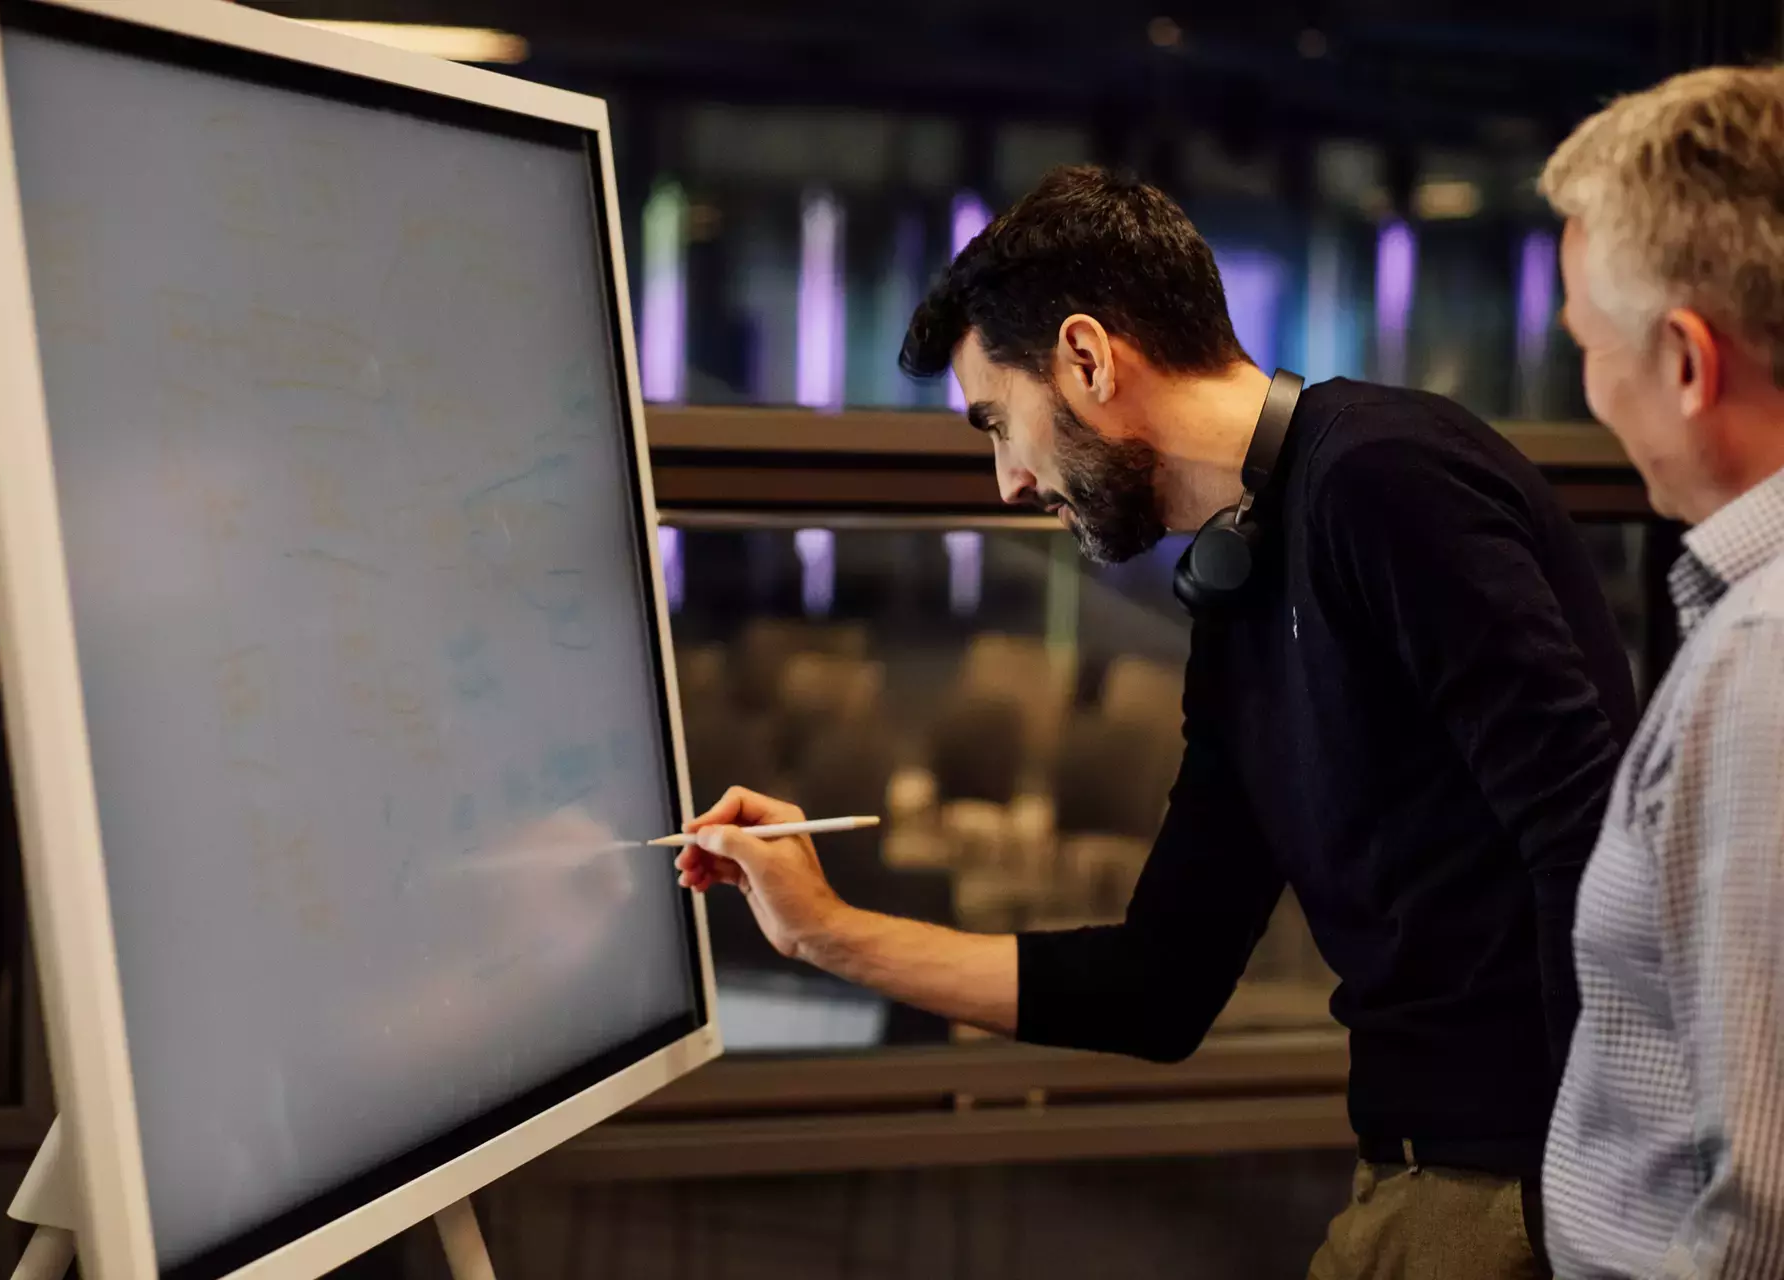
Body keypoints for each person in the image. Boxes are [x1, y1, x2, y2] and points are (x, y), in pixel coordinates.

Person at [677, 165, 1636, 1277]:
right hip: (1429, 1172)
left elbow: (1592, 842)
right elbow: (1159, 981)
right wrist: (826, 929)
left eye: (999, 422)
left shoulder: (1383, 477)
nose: (1007, 480)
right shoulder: (1238, 596)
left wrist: (1599, 1194)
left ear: (1087, 359)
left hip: (1521, 1186)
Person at [1538, 66, 1784, 1279]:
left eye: (1588, 343)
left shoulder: (1764, 659)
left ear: (1687, 362)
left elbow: (1763, 1209)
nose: (1588, 391)